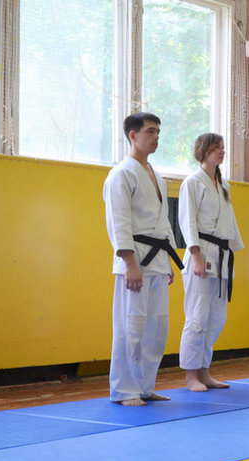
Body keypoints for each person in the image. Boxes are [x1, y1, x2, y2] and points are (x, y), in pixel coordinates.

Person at [103, 112, 184, 406]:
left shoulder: (156, 176)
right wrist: (129, 264)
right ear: (132, 135)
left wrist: (168, 260)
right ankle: (125, 390)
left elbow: (163, 222)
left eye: (158, 132)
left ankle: (145, 386)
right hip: (135, 260)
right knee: (131, 326)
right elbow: (118, 222)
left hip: (157, 260)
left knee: (156, 328)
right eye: (150, 131)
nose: (156, 137)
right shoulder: (121, 174)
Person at [178, 133, 244, 391]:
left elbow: (230, 221)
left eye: (223, 148)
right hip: (202, 253)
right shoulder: (192, 182)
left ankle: (205, 372)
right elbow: (187, 221)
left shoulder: (224, 184)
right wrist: (196, 256)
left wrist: (233, 248)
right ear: (203, 151)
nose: (222, 152)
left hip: (221, 255)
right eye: (217, 148)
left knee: (216, 319)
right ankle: (191, 376)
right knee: (197, 317)